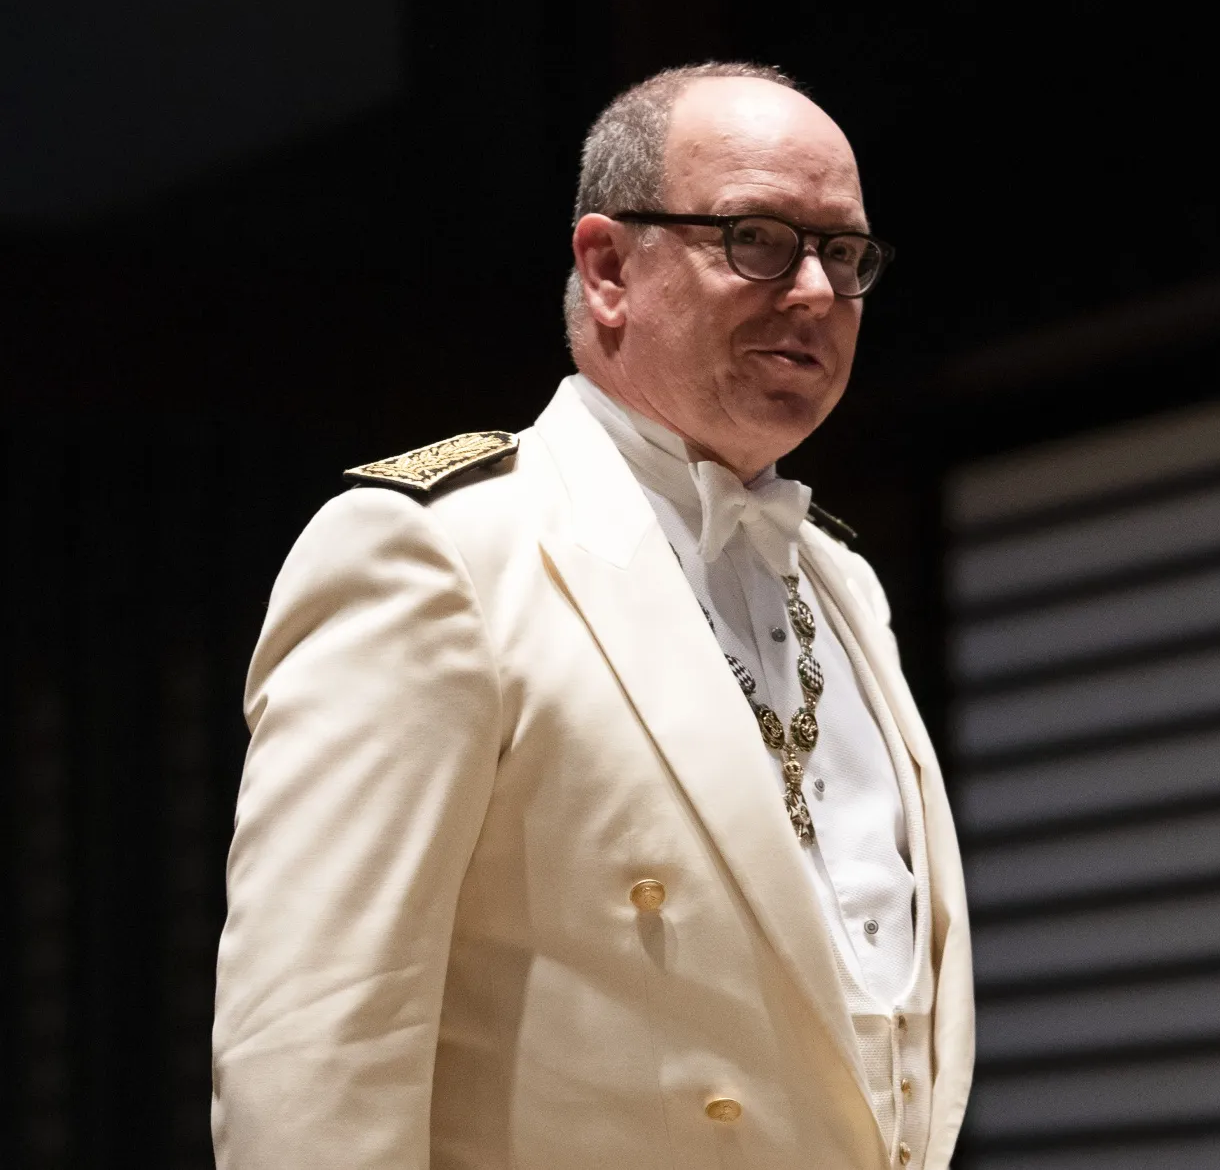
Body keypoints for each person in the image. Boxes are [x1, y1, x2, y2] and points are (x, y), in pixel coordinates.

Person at [212, 62, 973, 1170]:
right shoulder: (438, 551)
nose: (814, 291)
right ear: (609, 266)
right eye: (758, 238)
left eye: (843, 254)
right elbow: (312, 1055)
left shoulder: (844, 583)